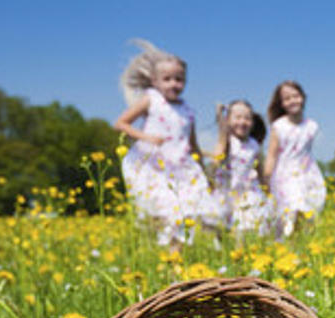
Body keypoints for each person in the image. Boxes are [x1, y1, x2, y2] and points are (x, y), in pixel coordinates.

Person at [114, 39, 218, 248]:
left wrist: (206, 166)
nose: (174, 84)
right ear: (155, 81)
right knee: (170, 212)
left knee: (198, 212)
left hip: (182, 168)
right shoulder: (151, 99)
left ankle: (183, 254)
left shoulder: (188, 111)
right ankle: (171, 258)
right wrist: (146, 138)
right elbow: (120, 123)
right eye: (167, 79)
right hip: (155, 167)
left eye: (179, 79)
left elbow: (193, 145)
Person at [263, 80, 326, 240]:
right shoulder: (279, 126)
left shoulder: (312, 125)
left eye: (295, 96)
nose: (292, 101)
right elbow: (271, 154)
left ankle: (298, 245)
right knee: (291, 210)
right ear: (282, 104)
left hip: (308, 173)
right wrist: (267, 177)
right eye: (287, 98)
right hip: (285, 175)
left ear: (303, 97)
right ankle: (285, 245)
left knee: (307, 214)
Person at [211, 100, 273, 242]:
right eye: (237, 117)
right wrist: (220, 118)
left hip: (247, 193)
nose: (242, 122)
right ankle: (223, 258)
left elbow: (260, 169)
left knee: (245, 228)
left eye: (247, 118)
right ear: (228, 121)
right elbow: (216, 160)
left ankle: (240, 256)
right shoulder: (226, 141)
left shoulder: (254, 145)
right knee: (223, 231)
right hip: (226, 192)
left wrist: (267, 191)